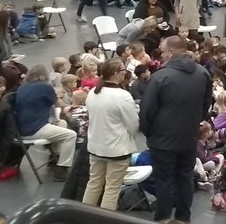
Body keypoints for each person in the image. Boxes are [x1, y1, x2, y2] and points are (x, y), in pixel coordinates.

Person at [139, 36, 211, 224]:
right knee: (185, 178)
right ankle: (183, 218)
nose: (161, 55)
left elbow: (147, 111)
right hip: (189, 138)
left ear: (170, 52)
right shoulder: (202, 73)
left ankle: (162, 219)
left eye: (163, 52)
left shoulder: (160, 77)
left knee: (164, 181)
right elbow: (205, 104)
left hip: (162, 140)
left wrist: (151, 133)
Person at [82, 58, 139, 211]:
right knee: (112, 189)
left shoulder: (93, 92)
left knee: (93, 183)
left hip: (95, 146)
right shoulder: (122, 96)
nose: (125, 73)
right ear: (115, 74)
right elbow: (133, 125)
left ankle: (83, 218)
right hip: (117, 148)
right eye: (123, 70)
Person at [14, 65, 77, 180]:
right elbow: (58, 103)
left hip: (22, 128)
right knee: (71, 135)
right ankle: (62, 169)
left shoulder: (22, 87)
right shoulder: (45, 87)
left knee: (61, 123)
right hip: (35, 129)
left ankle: (56, 157)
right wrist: (71, 108)